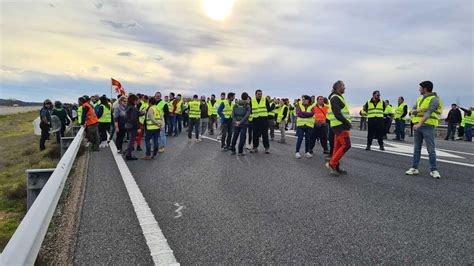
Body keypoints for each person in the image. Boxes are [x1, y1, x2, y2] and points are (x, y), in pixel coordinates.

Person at [405, 81, 442, 179]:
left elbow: (429, 112)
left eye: (420, 88)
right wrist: (416, 111)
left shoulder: (434, 99)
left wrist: (420, 123)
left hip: (428, 126)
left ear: (425, 89)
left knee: (431, 149)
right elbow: (411, 111)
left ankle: (434, 170)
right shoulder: (419, 99)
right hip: (417, 126)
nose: (419, 89)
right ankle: (414, 168)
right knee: (417, 148)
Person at [325, 80, 352, 176]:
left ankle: (335, 166)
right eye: (343, 86)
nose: (345, 87)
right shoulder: (335, 97)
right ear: (338, 87)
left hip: (337, 125)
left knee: (337, 147)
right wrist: (347, 123)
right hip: (340, 126)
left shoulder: (337, 97)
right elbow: (337, 113)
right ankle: (332, 164)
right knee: (347, 145)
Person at [250, 90, 273, 154]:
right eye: (258, 94)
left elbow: (268, 108)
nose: (260, 95)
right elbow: (250, 109)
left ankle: (266, 148)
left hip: (263, 119)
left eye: (261, 94)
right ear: (255, 94)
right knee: (255, 135)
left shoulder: (265, 99)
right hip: (255, 119)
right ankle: (255, 147)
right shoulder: (252, 100)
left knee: (265, 134)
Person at [125, 94, 140, 160]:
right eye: (136, 100)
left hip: (128, 125)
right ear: (134, 101)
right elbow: (134, 119)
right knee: (131, 141)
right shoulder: (133, 108)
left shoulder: (128, 106)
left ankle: (128, 154)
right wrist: (138, 127)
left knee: (130, 140)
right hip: (132, 126)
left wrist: (140, 113)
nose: (137, 102)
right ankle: (129, 155)